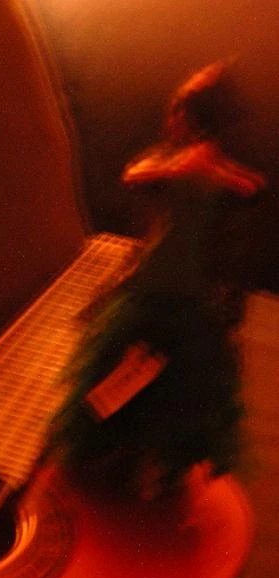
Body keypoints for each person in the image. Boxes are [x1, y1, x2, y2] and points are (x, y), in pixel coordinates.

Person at [49, 60, 266, 500]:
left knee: (156, 380)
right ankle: (127, 456)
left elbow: (243, 189)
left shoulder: (203, 168)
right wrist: (186, 172)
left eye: (177, 112)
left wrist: (198, 172)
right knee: (142, 379)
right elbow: (138, 176)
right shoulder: (188, 166)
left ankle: (136, 458)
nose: (170, 121)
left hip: (175, 294)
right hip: (164, 291)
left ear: (190, 119)